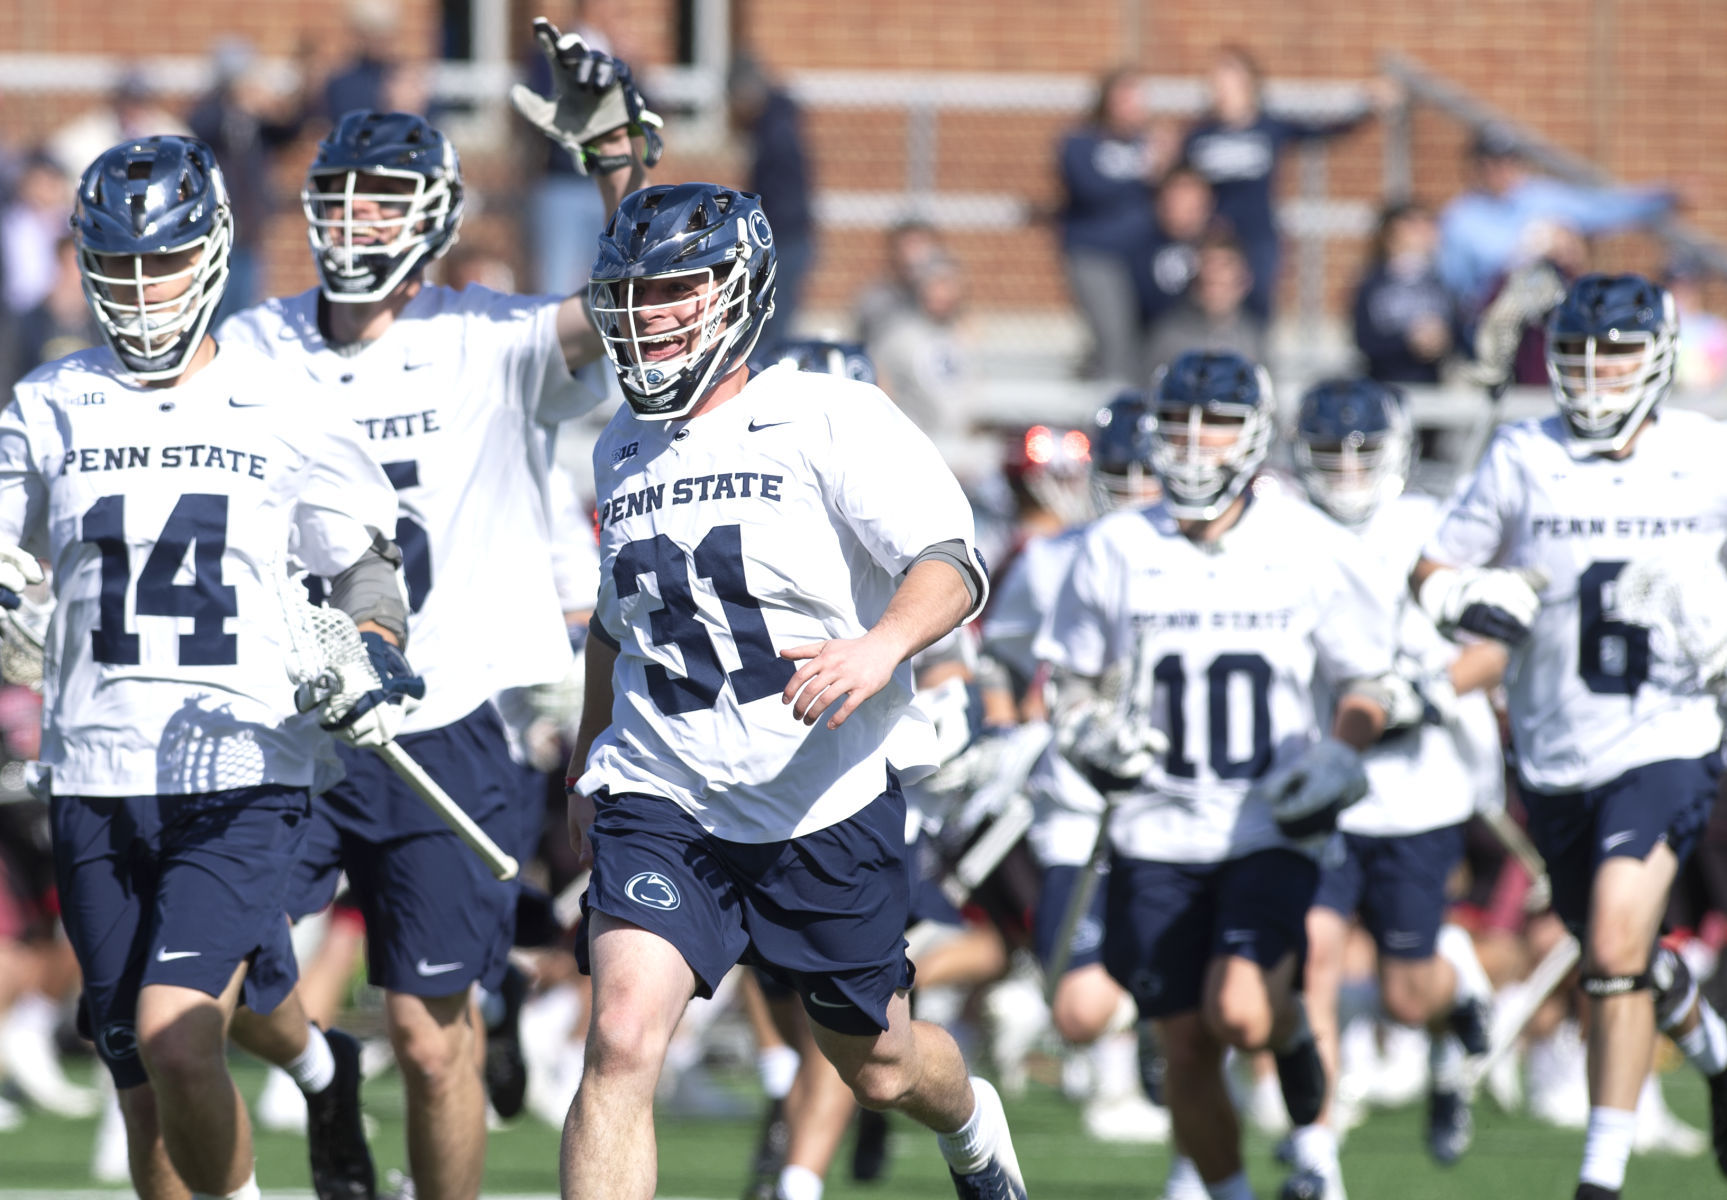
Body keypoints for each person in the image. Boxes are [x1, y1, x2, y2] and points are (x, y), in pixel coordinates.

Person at [216, 22, 652, 1200]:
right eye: (342, 198)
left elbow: (636, 298)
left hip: (443, 714)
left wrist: (615, 157)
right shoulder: (248, 346)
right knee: (214, 992)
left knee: (428, 1030)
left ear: (437, 215)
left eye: (384, 198)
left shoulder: (487, 340)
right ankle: (317, 1070)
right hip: (285, 723)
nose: (356, 219)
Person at [564, 171, 1024, 1198]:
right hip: (664, 791)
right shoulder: (620, 445)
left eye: (674, 289)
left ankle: (971, 1122)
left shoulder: (826, 414)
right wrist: (588, 758)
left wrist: (879, 647)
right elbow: (615, 622)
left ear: (737, 290)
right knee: (622, 1034)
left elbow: (950, 563)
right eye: (632, 294)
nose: (648, 317)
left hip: (821, 796)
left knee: (882, 1066)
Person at [0, 134, 409, 1200]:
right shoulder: (50, 402)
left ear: (214, 250)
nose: (141, 289)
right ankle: (323, 1069)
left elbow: (364, 558)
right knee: (142, 1084)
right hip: (94, 771)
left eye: (164, 261)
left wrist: (372, 648)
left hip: (241, 770)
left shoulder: (283, 401)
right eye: (120, 265)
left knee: (177, 1038)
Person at [1035, 350, 1397, 1200]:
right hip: (1154, 828)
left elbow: (1366, 680)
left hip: (1265, 819)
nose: (1197, 447)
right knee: (1186, 1043)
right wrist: (1089, 733)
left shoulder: (1305, 541)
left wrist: (1342, 753)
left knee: (1240, 1008)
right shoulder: (1115, 545)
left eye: (1219, 427)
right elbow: (1073, 682)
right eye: (1179, 428)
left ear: (1256, 434)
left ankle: (1292, 1038)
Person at [1412, 272, 1727, 1200]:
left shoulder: (1706, 456)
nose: (1595, 377)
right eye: (1578, 360)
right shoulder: (1522, 455)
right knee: (1613, 955)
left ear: (1659, 358)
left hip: (1667, 737)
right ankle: (1713, 1052)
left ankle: (1598, 1178)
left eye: (1617, 356)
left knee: (1622, 941)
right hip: (1553, 749)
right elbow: (1433, 566)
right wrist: (1460, 596)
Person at [1281, 379, 1503, 1200]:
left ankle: (1457, 987)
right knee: (1314, 963)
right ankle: (1316, 1155)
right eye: (1328, 452)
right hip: (1319, 787)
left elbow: (1494, 647)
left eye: (1360, 451)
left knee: (1409, 997)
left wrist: (1427, 690)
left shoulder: (1430, 526)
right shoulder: (1278, 527)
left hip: (1415, 790)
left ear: (1395, 451)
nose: (1344, 469)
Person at [1180, 46, 1397, 321]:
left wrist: (1367, 107)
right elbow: (1180, 181)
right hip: (1215, 236)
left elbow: (1324, 131)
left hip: (1258, 235)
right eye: (1217, 78)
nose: (1222, 85)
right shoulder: (1200, 134)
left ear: (1249, 82)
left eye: (1230, 76)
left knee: (1258, 306)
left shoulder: (1268, 126)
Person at [1436, 127, 1679, 320]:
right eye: (1492, 163)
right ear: (1478, 166)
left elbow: (1602, 209)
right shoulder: (1461, 217)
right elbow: (1457, 287)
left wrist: (1663, 196)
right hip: (1491, 326)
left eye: (1510, 161)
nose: (1503, 170)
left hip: (1547, 319)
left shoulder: (1540, 196)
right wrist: (1533, 248)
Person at [1057, 68, 1168, 384]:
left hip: (1143, 257)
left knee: (1144, 339)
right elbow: (1091, 189)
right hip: (1095, 254)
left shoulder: (1150, 144)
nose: (1131, 109)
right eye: (1124, 100)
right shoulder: (1080, 143)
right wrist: (1146, 172)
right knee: (1113, 338)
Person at [729, 52, 814, 354]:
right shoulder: (776, 122)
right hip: (789, 236)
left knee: (771, 322)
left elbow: (779, 195)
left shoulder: (776, 131)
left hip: (784, 239)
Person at [1350, 203, 1459, 385]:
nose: (1425, 234)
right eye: (1414, 227)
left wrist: (1443, 339)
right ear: (1391, 236)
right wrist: (1408, 341)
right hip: (1384, 383)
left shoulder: (1442, 282)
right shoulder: (1373, 284)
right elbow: (1364, 340)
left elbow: (1459, 331)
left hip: (1432, 385)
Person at [1143, 229, 1265, 376]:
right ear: (1194, 282)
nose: (1215, 274)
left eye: (1223, 284)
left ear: (1244, 282)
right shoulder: (1167, 338)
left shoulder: (1255, 339)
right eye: (1209, 284)